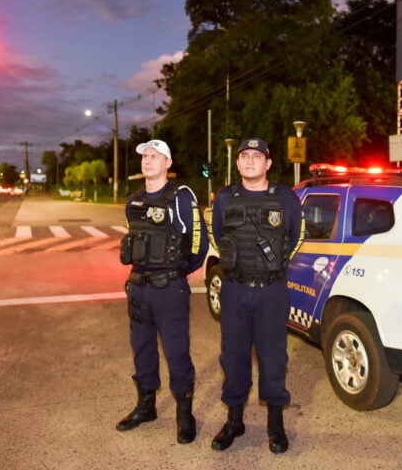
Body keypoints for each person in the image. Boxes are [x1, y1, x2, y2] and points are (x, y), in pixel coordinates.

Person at [209, 137, 304, 454]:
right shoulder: (225, 197)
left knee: (274, 360)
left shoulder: (286, 198)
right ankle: (234, 422)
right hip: (235, 291)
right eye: (244, 156)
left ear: (268, 163)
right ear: (237, 163)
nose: (250, 161)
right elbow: (218, 233)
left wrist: (273, 265)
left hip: (271, 293)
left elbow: (295, 237)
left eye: (256, 156)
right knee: (233, 358)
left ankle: (275, 425)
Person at [117, 139, 208, 444]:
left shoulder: (180, 197)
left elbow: (199, 242)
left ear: (168, 163)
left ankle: (184, 414)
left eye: (155, 156)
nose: (148, 160)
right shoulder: (134, 201)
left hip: (169, 289)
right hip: (139, 287)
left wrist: (179, 273)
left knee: (176, 353)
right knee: (141, 351)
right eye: (145, 155)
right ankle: (146, 407)